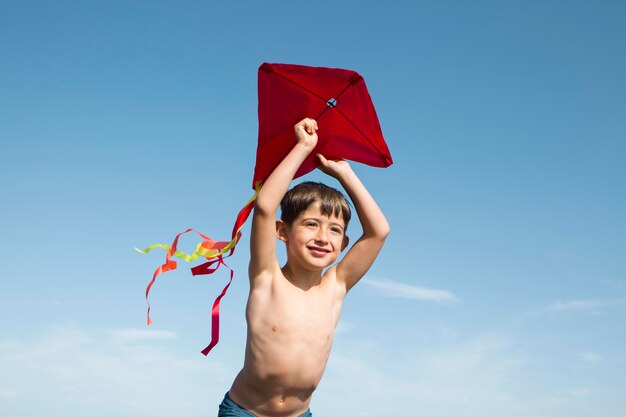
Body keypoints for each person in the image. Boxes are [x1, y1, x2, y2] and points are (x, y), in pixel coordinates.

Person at [218, 118, 389, 417]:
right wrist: (303, 147)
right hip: (245, 412)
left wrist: (344, 172)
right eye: (311, 225)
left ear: (345, 242)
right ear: (282, 231)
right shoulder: (266, 276)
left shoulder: (336, 286)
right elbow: (265, 207)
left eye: (335, 230)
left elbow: (378, 231)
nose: (323, 237)